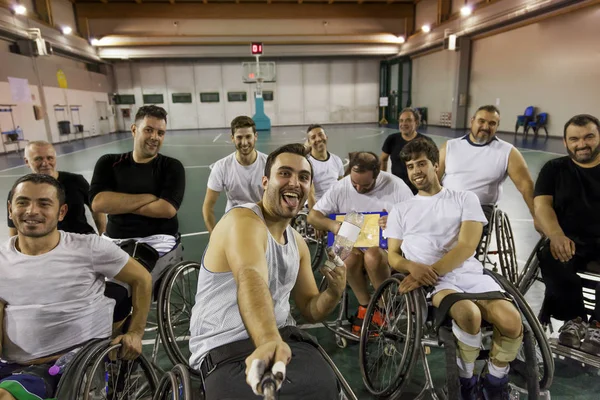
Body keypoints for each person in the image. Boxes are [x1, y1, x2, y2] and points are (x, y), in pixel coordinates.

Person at [189, 143, 345, 399]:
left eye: (303, 177)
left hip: (282, 339)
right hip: (226, 347)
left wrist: (334, 292)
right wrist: (267, 340)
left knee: (325, 387)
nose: (295, 182)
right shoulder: (243, 222)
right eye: (284, 173)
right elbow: (251, 277)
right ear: (265, 181)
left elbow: (311, 309)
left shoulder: (298, 244)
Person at [387, 139, 523, 400]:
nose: (416, 171)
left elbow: (467, 246)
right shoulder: (401, 210)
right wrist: (411, 266)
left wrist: (431, 270)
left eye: (422, 164)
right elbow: (393, 256)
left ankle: (494, 380)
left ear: (436, 165)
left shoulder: (464, 198)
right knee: (469, 315)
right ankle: (466, 380)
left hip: (467, 274)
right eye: (410, 166)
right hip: (436, 284)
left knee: (512, 320)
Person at [0, 174, 152, 400]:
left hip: (67, 366)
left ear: (61, 212)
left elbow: (141, 278)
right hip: (11, 365)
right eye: (23, 202)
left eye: (44, 203)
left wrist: (135, 332)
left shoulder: (88, 248)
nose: (32, 211)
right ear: (11, 210)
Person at [89, 105, 185, 326]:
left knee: (116, 291)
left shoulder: (171, 167)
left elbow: (167, 209)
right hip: (113, 240)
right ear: (134, 129)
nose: (154, 137)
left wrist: (119, 202)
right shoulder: (108, 163)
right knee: (82, 285)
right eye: (148, 130)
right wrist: (150, 197)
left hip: (156, 241)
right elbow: (98, 203)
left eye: (160, 133)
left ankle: (121, 344)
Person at [307, 151, 413, 333]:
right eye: (354, 182)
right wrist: (332, 225)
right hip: (353, 246)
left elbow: (416, 218)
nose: (358, 188)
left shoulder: (396, 186)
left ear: (377, 175)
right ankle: (366, 305)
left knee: (372, 255)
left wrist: (397, 221)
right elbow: (313, 217)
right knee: (347, 258)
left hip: (387, 248)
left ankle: (384, 306)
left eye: (365, 185)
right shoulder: (342, 187)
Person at [534, 114, 600, 355]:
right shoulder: (554, 169)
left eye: (588, 137)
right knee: (550, 256)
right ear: (565, 142)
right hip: (568, 240)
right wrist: (556, 234)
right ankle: (575, 320)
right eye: (574, 139)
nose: (581, 144)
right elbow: (542, 206)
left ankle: (598, 325)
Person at [439, 105, 535, 225]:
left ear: (497, 127)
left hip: (479, 210)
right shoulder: (449, 147)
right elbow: (434, 179)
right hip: (446, 204)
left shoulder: (508, 152)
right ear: (472, 121)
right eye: (481, 121)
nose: (485, 127)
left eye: (492, 123)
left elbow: (526, 186)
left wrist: (536, 216)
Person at [7, 141, 105, 236]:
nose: (45, 163)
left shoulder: (76, 181)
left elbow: (97, 210)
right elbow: (14, 228)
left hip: (81, 238)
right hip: (45, 245)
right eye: (38, 159)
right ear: (27, 161)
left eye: (50, 158)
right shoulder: (19, 191)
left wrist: (102, 235)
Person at [202, 116, 267, 234]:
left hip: (263, 221)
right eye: (239, 137)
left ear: (255, 136)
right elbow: (208, 207)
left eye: (248, 136)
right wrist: (214, 236)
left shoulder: (268, 164)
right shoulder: (221, 167)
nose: (244, 142)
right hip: (234, 221)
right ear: (232, 138)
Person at [381, 108, 436, 194]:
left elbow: (437, 164)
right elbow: (383, 159)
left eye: (408, 120)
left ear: (416, 123)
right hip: (397, 189)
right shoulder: (391, 139)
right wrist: (384, 179)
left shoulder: (426, 141)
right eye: (401, 121)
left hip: (419, 189)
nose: (403, 124)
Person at [305, 124, 345, 209]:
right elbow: (310, 195)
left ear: (326, 137)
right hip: (319, 207)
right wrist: (314, 217)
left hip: (336, 205)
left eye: (320, 135)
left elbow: (342, 187)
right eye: (313, 137)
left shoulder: (336, 160)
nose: (318, 139)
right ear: (309, 142)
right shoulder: (307, 164)